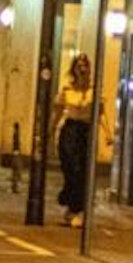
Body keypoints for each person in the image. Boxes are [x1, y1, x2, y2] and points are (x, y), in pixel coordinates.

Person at [55, 51, 95, 228]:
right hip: (70, 130)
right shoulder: (66, 89)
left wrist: (108, 135)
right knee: (70, 168)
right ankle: (71, 202)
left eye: (85, 66)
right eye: (79, 65)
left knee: (83, 171)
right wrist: (48, 133)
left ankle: (77, 208)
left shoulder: (94, 91)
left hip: (85, 131)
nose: (82, 69)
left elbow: (100, 115)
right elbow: (56, 113)